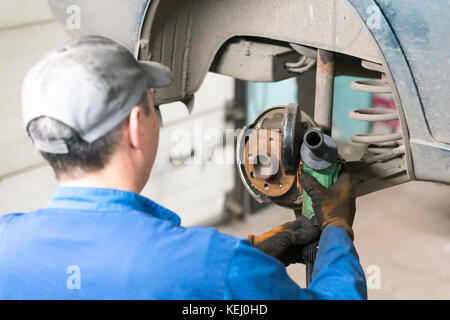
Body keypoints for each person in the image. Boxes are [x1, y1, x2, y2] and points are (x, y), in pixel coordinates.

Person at [0, 36, 366, 299]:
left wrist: (249, 256)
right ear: (134, 127)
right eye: (152, 106)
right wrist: (336, 228)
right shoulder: (215, 265)